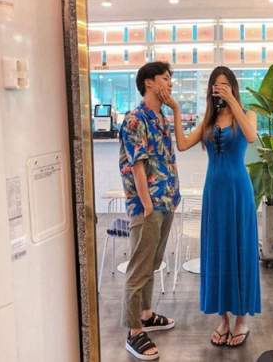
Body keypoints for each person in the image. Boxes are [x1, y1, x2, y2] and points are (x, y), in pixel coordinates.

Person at [159, 66, 261, 348]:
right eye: (216, 85)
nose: (220, 88)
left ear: (233, 87)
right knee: (217, 251)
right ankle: (223, 319)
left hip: (239, 192)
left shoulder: (247, 114)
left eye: (225, 84)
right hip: (214, 192)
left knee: (239, 249)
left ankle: (241, 320)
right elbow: (182, 145)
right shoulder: (208, 120)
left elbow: (251, 136)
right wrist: (176, 110)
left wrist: (232, 102)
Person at [119, 61, 180, 360]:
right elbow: (137, 165)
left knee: (153, 262)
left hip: (166, 200)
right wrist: (145, 204)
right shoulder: (135, 119)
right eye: (165, 78)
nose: (170, 83)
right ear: (149, 82)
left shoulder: (161, 117)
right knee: (139, 266)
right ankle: (134, 331)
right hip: (149, 205)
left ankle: (145, 315)